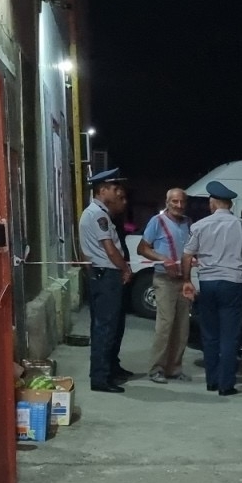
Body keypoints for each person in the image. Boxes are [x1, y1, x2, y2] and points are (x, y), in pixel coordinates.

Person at [182, 181, 242, 396]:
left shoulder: (199, 226)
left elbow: (187, 255)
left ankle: (212, 380)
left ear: (212, 203)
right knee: (229, 335)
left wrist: (187, 281)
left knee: (209, 334)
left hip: (208, 284)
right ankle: (226, 385)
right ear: (230, 205)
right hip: (232, 284)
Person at [79, 168, 137, 393]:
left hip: (102, 274)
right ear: (102, 190)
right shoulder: (98, 215)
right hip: (107, 275)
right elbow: (110, 249)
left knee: (110, 325)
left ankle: (110, 369)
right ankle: (101, 377)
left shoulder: (96, 212)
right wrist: (125, 268)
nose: (118, 192)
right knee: (105, 328)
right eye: (114, 188)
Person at [137, 188, 193, 384]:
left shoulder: (188, 223)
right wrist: (163, 259)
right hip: (164, 280)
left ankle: (174, 368)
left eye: (182, 202)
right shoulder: (157, 221)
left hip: (183, 280)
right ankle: (157, 369)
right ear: (167, 202)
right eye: (175, 201)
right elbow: (142, 248)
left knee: (182, 327)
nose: (179, 205)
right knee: (165, 325)